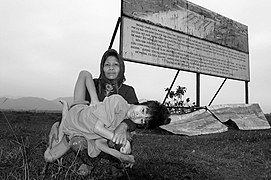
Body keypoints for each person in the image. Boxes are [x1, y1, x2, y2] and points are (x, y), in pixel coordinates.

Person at [44, 70, 170, 167]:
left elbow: (99, 143)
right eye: (143, 110)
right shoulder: (118, 101)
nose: (138, 116)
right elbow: (98, 128)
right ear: (142, 102)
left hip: (77, 132)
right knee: (65, 123)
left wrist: (120, 155)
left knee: (48, 157)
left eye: (142, 120)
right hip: (76, 116)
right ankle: (65, 111)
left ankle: (64, 123)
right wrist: (122, 142)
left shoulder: (122, 122)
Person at [48, 49, 139, 176]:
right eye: (107, 65)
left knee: (125, 136)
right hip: (90, 131)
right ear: (102, 67)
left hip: (111, 131)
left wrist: (123, 126)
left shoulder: (128, 91)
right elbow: (77, 113)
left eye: (115, 65)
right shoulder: (93, 85)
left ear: (121, 68)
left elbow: (135, 116)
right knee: (77, 142)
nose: (111, 68)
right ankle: (89, 161)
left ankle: (116, 163)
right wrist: (57, 124)